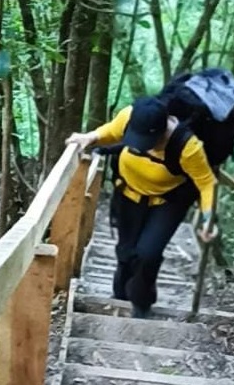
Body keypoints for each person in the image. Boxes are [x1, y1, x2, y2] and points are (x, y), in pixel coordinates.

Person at [67, 94, 219, 319]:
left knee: (147, 254)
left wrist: (208, 219)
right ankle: (119, 299)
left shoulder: (188, 147)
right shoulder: (129, 116)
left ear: (162, 131)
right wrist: (89, 137)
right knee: (125, 254)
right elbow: (111, 131)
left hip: (167, 202)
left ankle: (141, 303)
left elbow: (206, 183)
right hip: (129, 194)